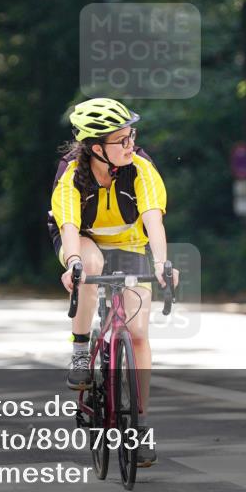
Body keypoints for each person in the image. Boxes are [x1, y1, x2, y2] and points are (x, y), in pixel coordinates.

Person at [48, 97, 179, 468]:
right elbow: (69, 226)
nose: (130, 145)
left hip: (130, 243)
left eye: (131, 136)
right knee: (89, 264)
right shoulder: (71, 175)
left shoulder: (141, 168)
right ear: (95, 148)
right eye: (120, 140)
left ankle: (138, 427)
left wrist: (162, 262)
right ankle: (80, 349)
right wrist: (72, 262)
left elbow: (154, 219)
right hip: (84, 242)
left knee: (137, 333)